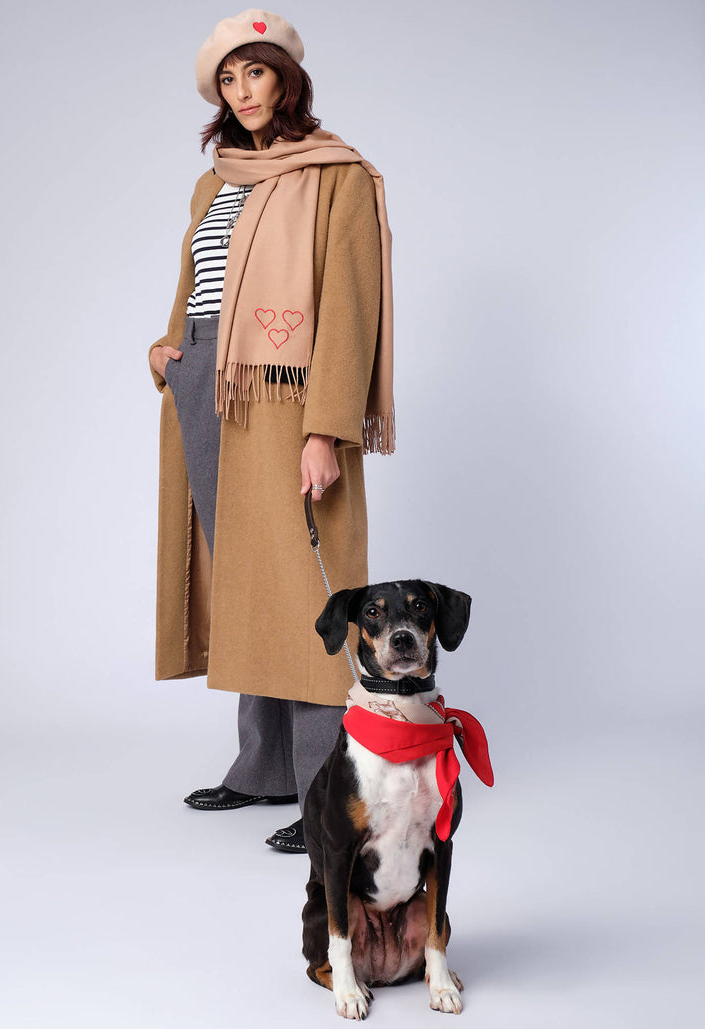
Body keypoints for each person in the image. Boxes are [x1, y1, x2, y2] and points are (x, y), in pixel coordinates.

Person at [148, 9, 395, 853]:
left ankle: (328, 788)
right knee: (243, 578)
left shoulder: (339, 174)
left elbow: (350, 310)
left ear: (287, 78)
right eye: (227, 79)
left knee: (304, 587)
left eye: (255, 72)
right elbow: (199, 283)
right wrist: (170, 345)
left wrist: (325, 428)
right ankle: (262, 766)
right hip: (211, 386)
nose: (241, 91)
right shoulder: (215, 180)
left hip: (288, 394)